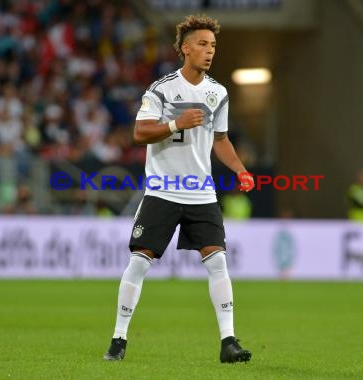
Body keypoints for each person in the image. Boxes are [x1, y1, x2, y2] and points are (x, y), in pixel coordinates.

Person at [103, 14, 255, 363]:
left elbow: (221, 140)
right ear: (185, 48)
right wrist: (175, 122)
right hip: (163, 191)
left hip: (201, 193)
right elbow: (140, 134)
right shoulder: (161, 90)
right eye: (202, 44)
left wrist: (240, 169)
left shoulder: (218, 92)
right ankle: (118, 339)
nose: (209, 50)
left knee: (218, 263)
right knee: (139, 263)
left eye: (213, 45)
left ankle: (228, 342)